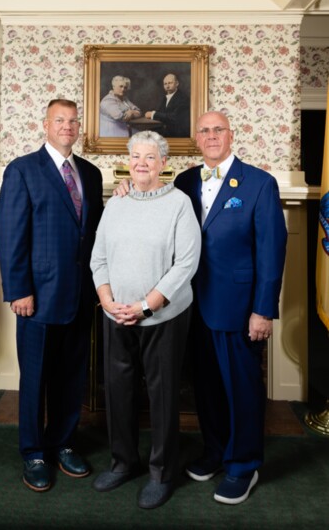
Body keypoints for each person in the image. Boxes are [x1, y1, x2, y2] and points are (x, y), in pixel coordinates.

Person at [114, 111, 287, 506]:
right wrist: (128, 188)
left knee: (241, 389)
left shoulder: (260, 184)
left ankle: (243, 465)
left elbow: (272, 252)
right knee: (206, 387)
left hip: (239, 307)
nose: (211, 136)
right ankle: (215, 452)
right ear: (196, 137)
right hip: (189, 306)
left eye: (218, 130)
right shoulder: (184, 181)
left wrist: (263, 310)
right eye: (204, 130)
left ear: (231, 134)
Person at [0, 99, 103, 492]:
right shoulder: (23, 169)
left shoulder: (90, 174)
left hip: (80, 296)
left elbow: (95, 235)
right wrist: (19, 289)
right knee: (37, 378)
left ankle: (63, 442)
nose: (68, 126)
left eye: (74, 121)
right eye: (60, 120)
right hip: (37, 298)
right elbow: (11, 235)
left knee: (72, 377)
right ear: (46, 124)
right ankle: (34, 452)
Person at [90, 130, 201, 509]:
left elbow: (185, 265)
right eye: (135, 156)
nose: (141, 163)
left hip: (164, 317)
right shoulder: (115, 204)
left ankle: (161, 472)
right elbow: (98, 259)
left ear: (163, 164)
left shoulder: (180, 204)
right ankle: (123, 462)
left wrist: (144, 306)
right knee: (117, 392)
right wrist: (108, 302)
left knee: (163, 396)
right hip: (115, 315)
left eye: (150, 157)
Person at [145, 73, 190, 137]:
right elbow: (161, 112)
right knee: (146, 132)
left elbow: (174, 117)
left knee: (148, 135)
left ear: (177, 83)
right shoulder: (166, 97)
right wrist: (152, 112)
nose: (167, 86)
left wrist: (153, 114)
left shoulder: (183, 98)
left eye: (170, 83)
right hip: (168, 129)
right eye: (165, 84)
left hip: (178, 133)